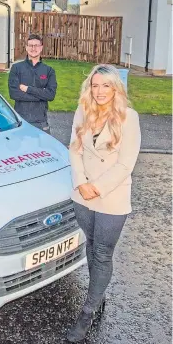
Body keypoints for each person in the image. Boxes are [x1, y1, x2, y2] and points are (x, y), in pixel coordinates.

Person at [67, 64, 141, 342]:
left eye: (106, 86)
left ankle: (87, 312)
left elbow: (125, 164)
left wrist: (96, 187)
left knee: (101, 252)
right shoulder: (82, 111)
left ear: (115, 88)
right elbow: (74, 150)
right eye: (95, 85)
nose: (99, 91)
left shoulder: (128, 118)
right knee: (90, 244)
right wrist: (81, 182)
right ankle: (98, 295)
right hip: (82, 195)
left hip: (112, 197)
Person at [8, 33, 57, 133]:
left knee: (43, 148)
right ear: (26, 47)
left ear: (41, 47)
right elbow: (14, 94)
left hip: (41, 122)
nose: (33, 48)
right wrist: (42, 94)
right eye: (30, 45)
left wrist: (27, 89)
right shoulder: (16, 68)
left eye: (36, 45)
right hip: (21, 120)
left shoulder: (49, 71)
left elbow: (51, 95)